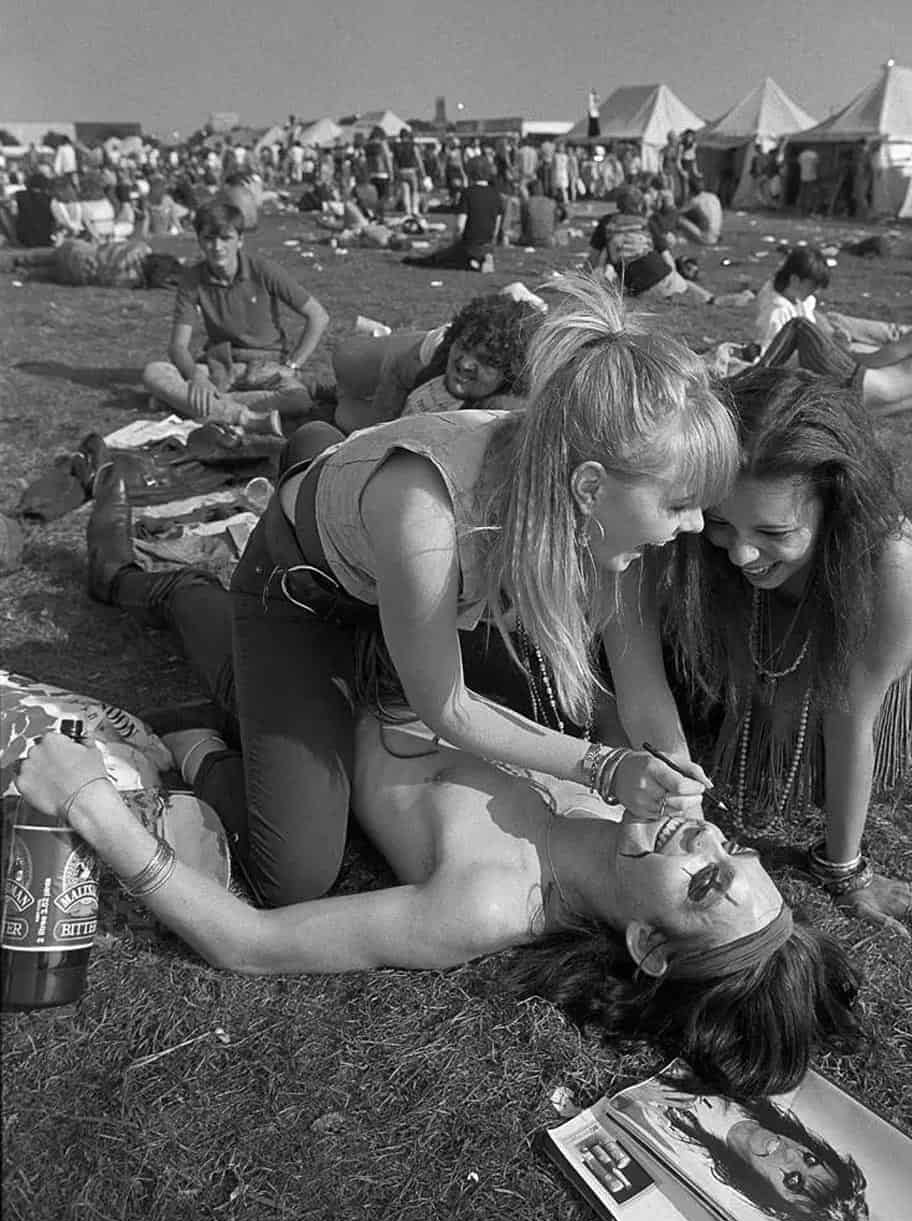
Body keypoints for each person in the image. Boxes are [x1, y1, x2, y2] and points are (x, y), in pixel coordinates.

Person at [88, 275, 738, 907]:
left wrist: (680, 789)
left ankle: (313, 467)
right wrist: (604, 768)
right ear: (590, 487)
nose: (694, 526)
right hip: (305, 594)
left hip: (393, 575)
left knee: (543, 715)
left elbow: (641, 689)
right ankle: (178, 609)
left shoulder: (603, 506)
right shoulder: (428, 509)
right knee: (293, 873)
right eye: (680, 504)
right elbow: (447, 706)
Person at [16, 706, 863, 1100]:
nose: (706, 838)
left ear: (647, 945)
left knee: (195, 609)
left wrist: (91, 806)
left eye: (707, 881)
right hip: (392, 655)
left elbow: (249, 942)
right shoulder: (635, 802)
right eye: (734, 850)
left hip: (311, 709)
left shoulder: (488, 905)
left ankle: (178, 678)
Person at [661, 367, 912, 935]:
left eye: (774, 533)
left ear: (837, 507)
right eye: (722, 522)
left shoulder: (892, 565)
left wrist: (845, 870)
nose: (741, 555)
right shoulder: (687, 531)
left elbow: (851, 715)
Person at [142, 200, 329, 433]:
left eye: (225, 238)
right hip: (220, 365)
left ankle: (192, 403)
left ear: (240, 240)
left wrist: (293, 364)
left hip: (265, 366)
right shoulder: (192, 279)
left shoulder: (263, 270)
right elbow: (178, 346)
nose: (217, 247)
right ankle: (242, 416)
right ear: (199, 240)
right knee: (155, 371)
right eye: (209, 239)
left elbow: (318, 316)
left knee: (298, 399)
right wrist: (196, 377)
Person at [609, 1072, 868, 1221]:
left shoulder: (685, 1155)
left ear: (773, 1196)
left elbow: (614, 1107)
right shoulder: (768, 1086)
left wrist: (639, 1092)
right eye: (810, 1160)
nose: (791, 1153)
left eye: (793, 1180)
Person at [759, 272, 912, 418]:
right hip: (871, 408)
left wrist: (841, 349)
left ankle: (755, 378)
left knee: (800, 326)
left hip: (856, 386)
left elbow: (875, 361)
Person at [332, 292, 540, 432]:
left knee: (342, 416)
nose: (465, 364)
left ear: (510, 375)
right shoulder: (439, 351)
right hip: (423, 356)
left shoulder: (511, 408)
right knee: (346, 357)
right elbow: (398, 372)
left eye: (487, 361)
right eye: (464, 346)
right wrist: (377, 436)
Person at [403, 156, 501, 271]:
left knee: (438, 259)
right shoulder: (496, 195)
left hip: (468, 245)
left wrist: (454, 242)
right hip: (487, 246)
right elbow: (496, 226)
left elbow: (460, 226)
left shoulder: (468, 193)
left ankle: (472, 262)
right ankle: (482, 258)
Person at [754, 246, 831, 353]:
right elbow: (771, 352)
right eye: (813, 286)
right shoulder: (777, 312)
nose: (816, 292)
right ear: (795, 280)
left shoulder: (799, 296)